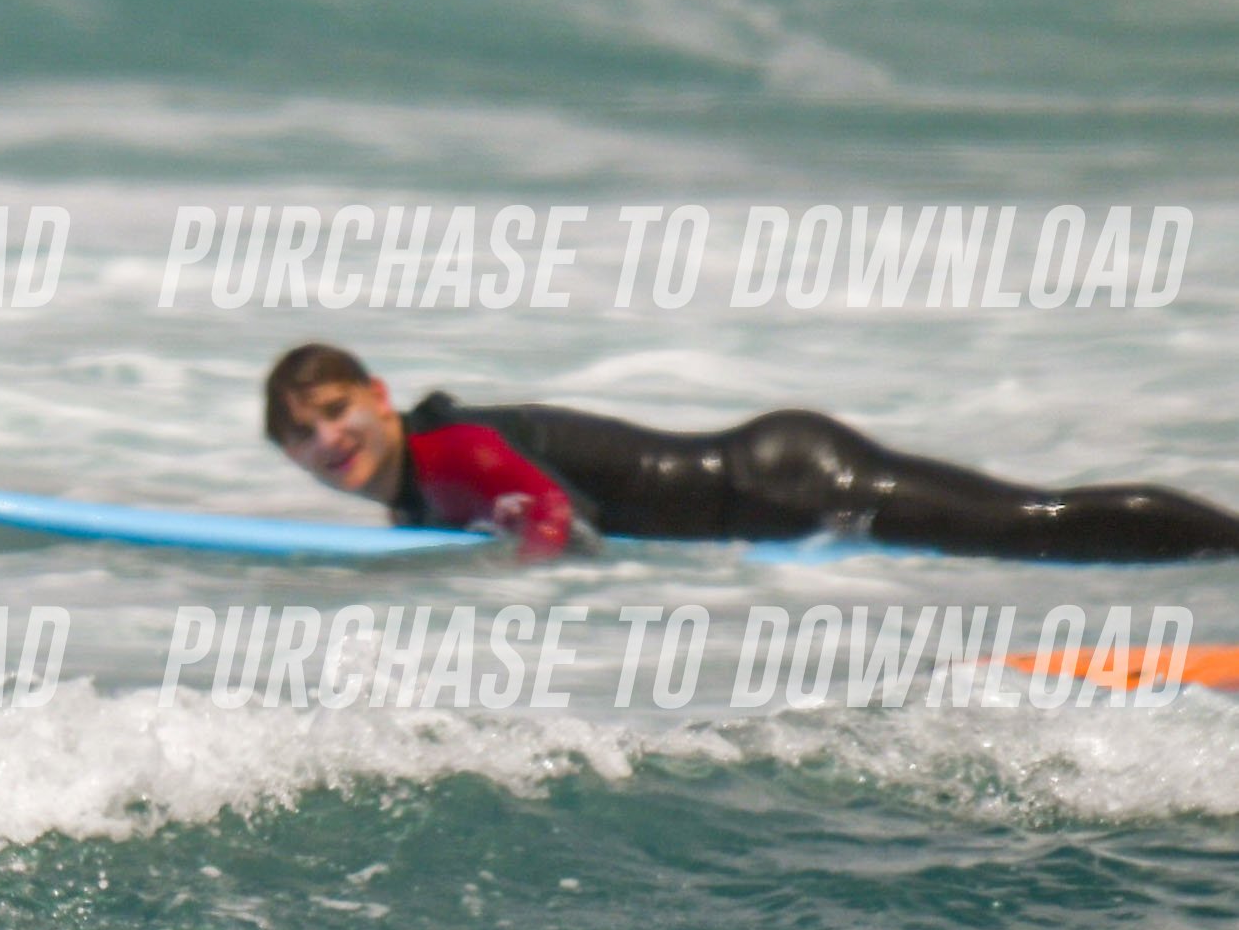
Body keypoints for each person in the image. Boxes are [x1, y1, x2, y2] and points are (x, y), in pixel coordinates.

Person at [263, 342, 1239, 563]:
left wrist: (510, 593)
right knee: (1024, 528)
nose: (327, 441)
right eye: (302, 436)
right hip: (773, 492)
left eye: (336, 412)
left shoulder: (453, 451)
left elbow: (560, 522)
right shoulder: (416, 486)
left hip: (784, 481)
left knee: (1029, 525)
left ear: (379, 397)